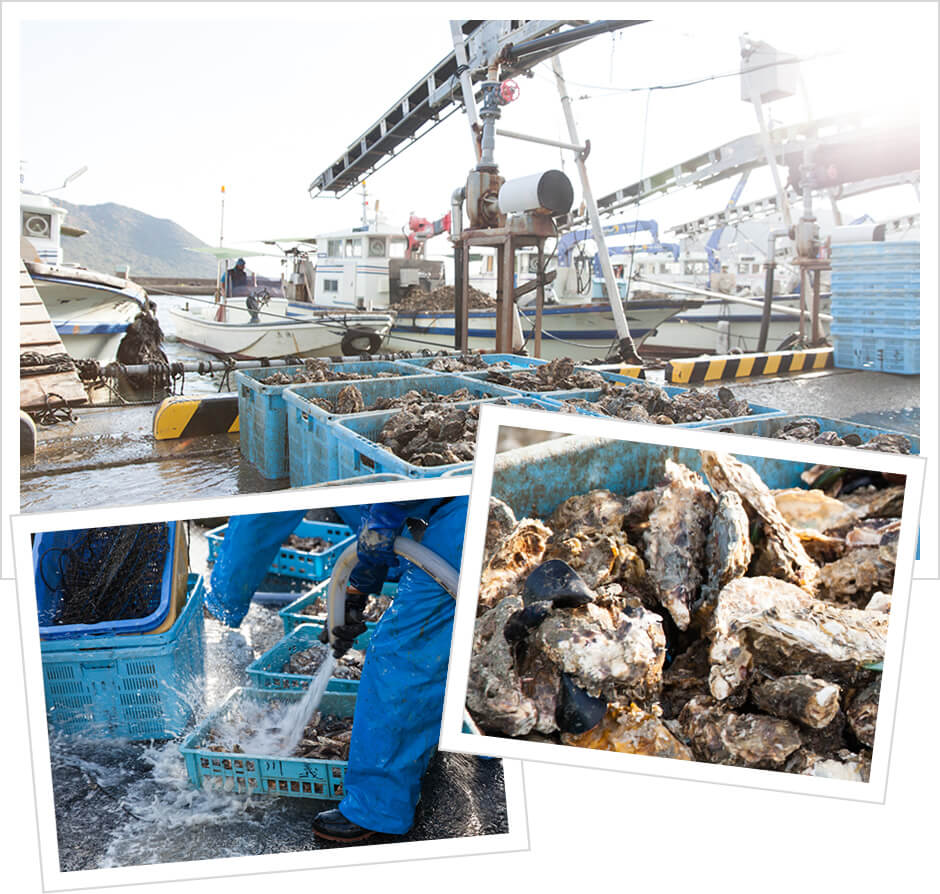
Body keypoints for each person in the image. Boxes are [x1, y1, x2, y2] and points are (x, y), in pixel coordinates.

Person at [208, 497, 469, 842]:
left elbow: (381, 521)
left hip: (457, 523)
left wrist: (359, 585)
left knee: (402, 654)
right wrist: (358, 588)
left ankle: (377, 810)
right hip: (446, 514)